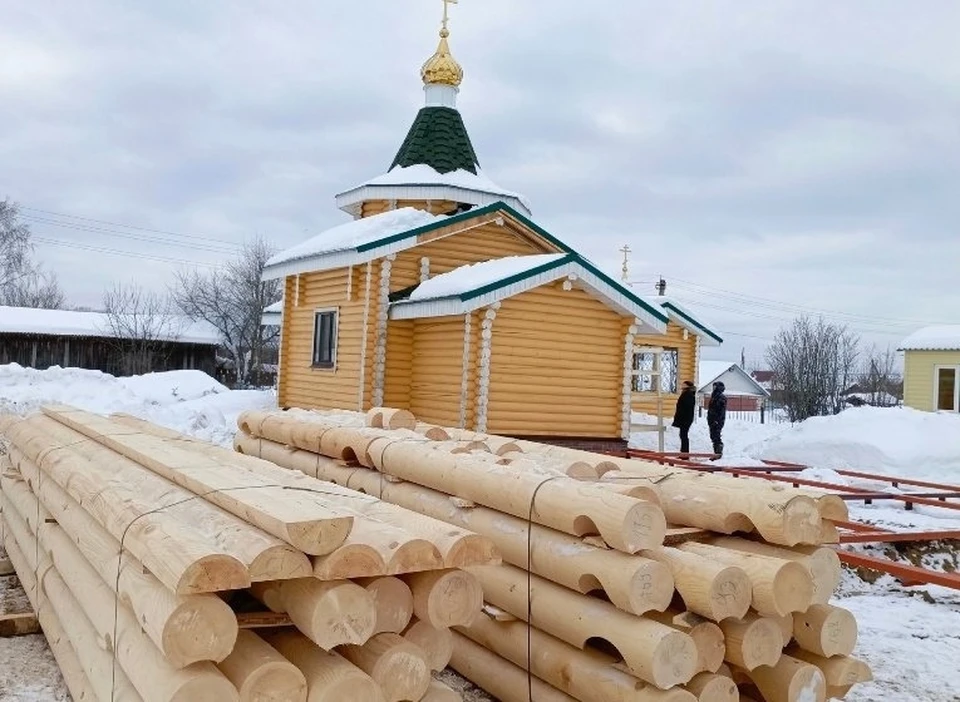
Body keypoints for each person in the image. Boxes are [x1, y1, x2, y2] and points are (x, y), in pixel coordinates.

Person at [672, 380, 696, 457]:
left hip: (685, 419)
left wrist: (681, 416)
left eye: (684, 384)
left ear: (687, 386)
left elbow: (686, 407)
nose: (682, 385)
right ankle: (683, 452)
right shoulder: (687, 393)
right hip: (685, 418)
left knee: (683, 435)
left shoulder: (687, 394)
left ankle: (685, 453)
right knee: (683, 435)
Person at [707, 381, 728, 459]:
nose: (714, 388)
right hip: (712, 419)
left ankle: (718, 453)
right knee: (713, 436)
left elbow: (720, 411)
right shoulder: (714, 396)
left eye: (716, 386)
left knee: (716, 436)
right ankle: (716, 453)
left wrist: (717, 420)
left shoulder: (721, 397)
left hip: (717, 420)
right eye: (714, 386)